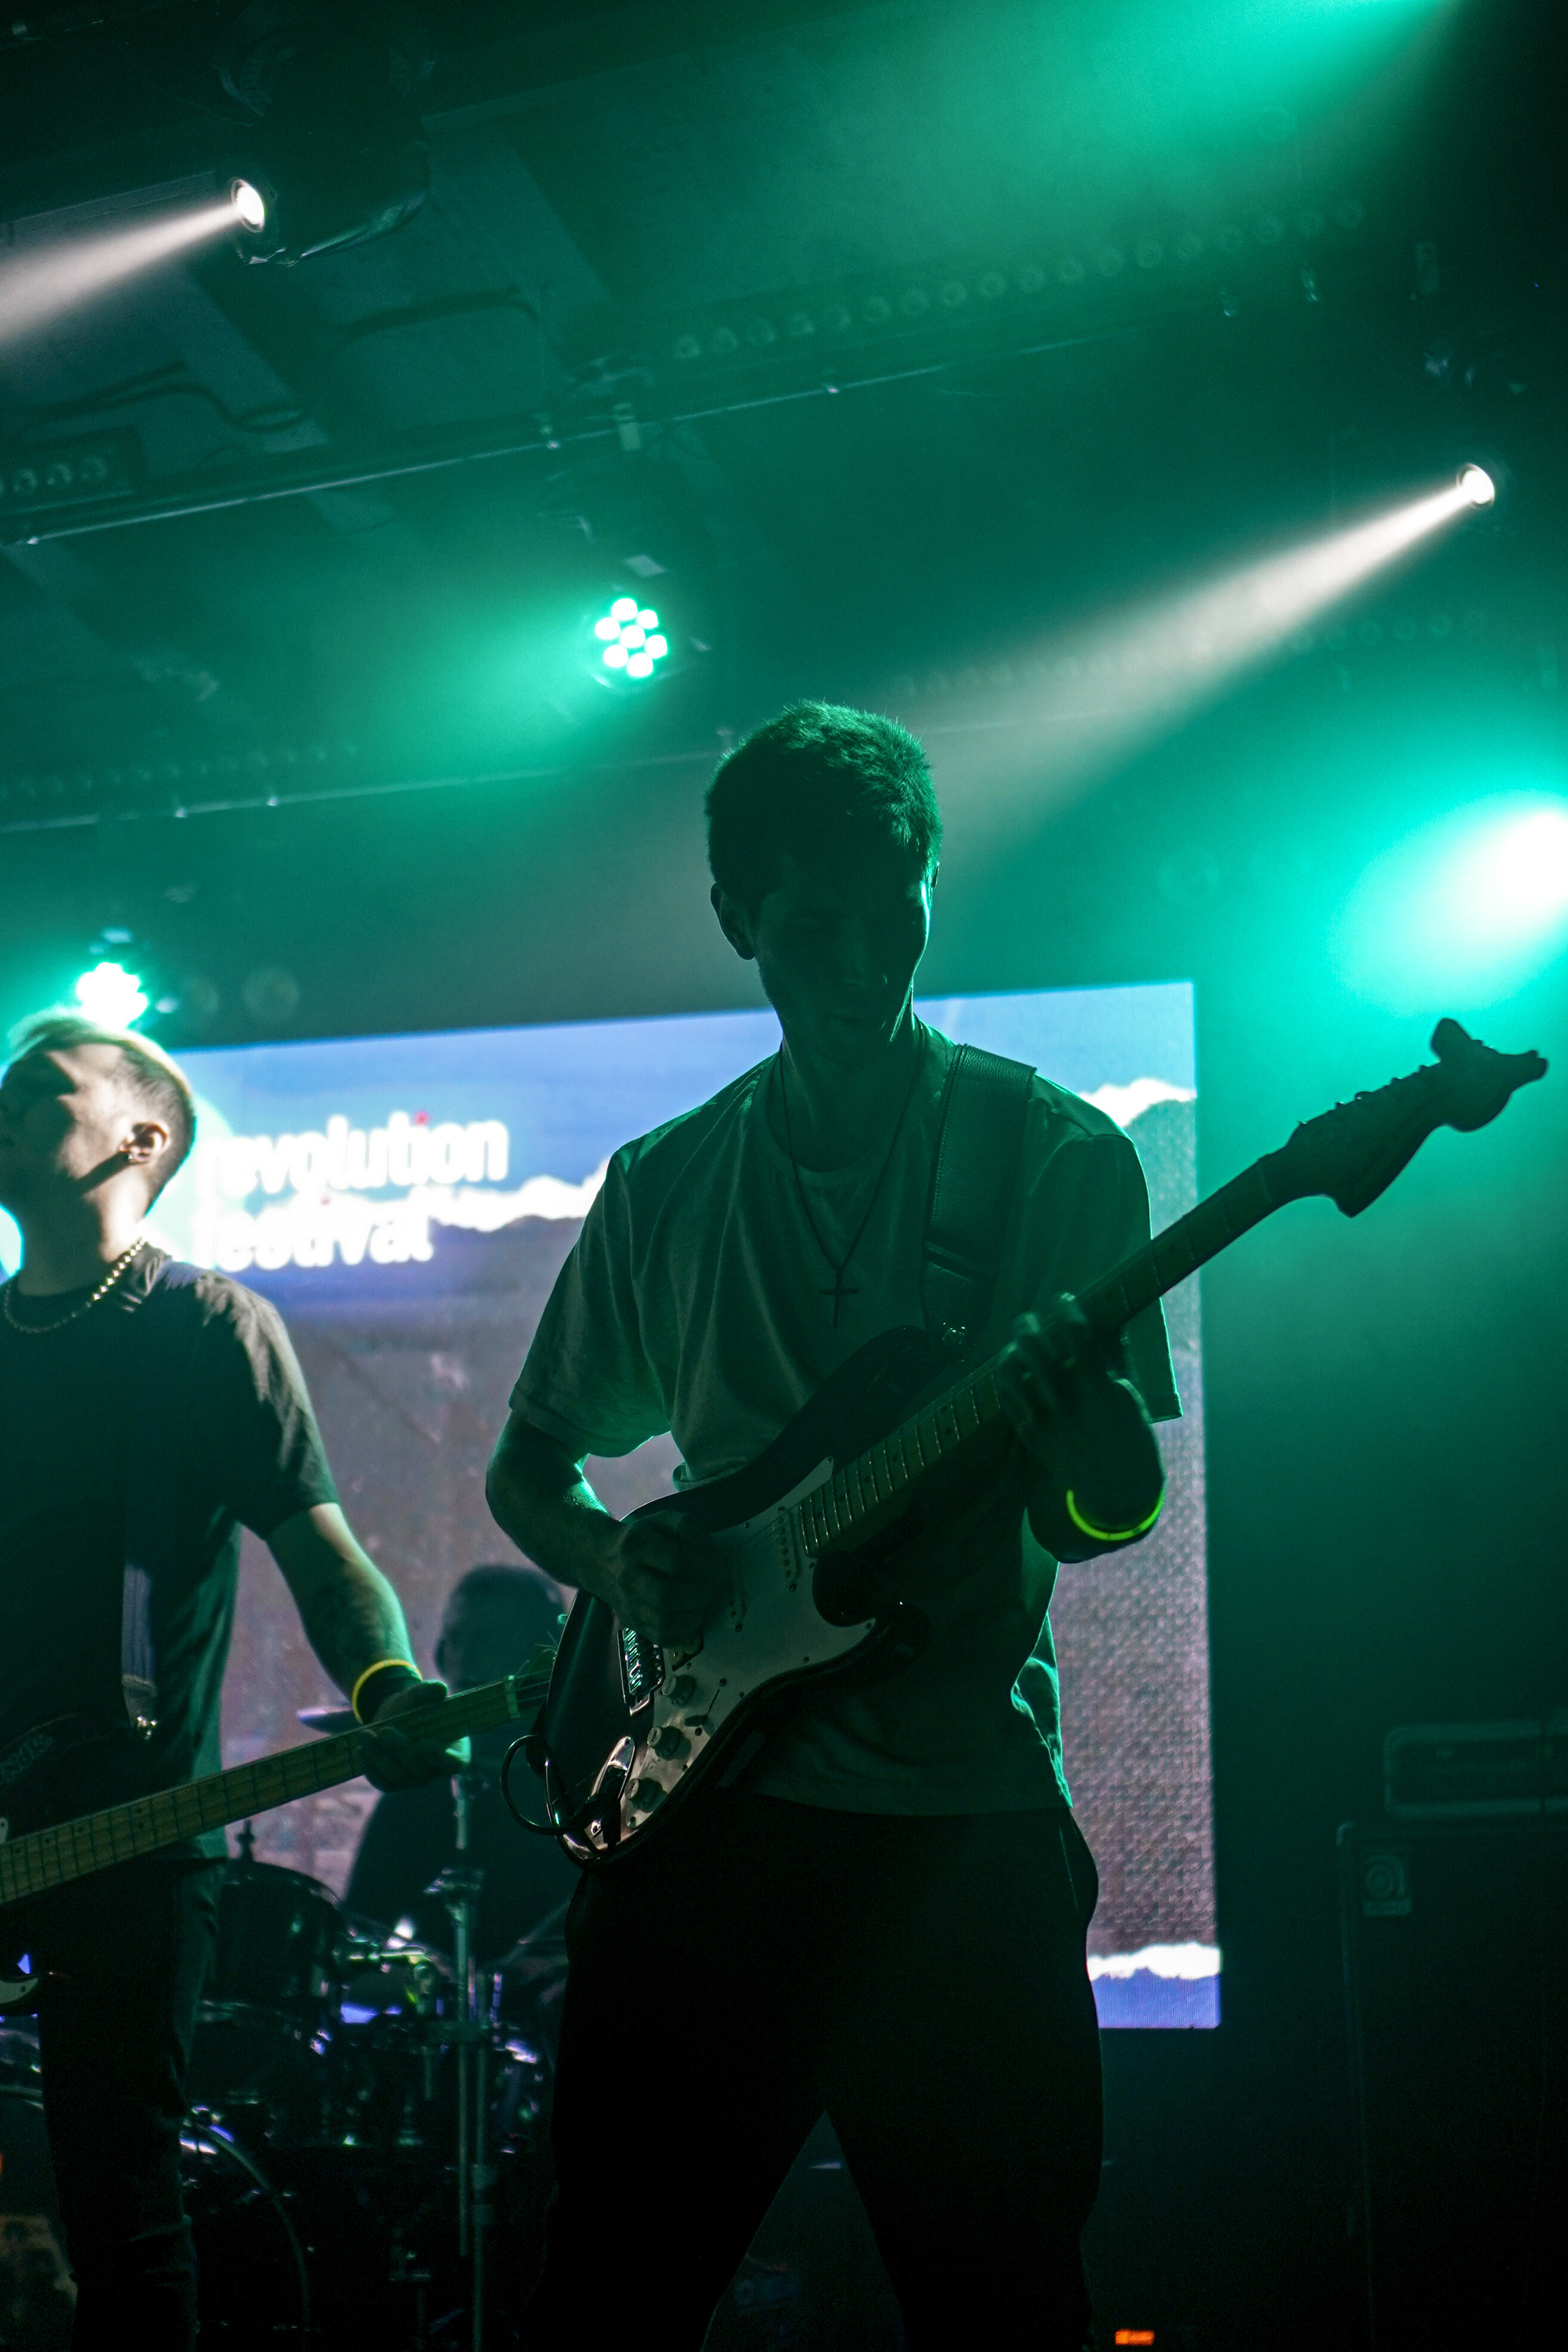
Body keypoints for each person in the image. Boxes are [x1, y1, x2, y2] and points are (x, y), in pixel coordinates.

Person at [486, 702, 1180, 2351]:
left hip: (954, 1833)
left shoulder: (1052, 1158)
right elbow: (532, 1470)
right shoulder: (665, 1184)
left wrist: (1086, 1435)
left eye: (896, 915)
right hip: (704, 1837)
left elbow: (1103, 1513)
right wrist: (615, 1559)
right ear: (737, 917)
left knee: (1005, 2305)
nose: (864, 963)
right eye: (814, 928)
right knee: (608, 2299)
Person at [0, 1010, 458, 2351]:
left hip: (130, 1838)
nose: (2, 1101)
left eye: (38, 1087)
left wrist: (386, 1685)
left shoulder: (203, 1327)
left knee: (123, 2208)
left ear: (139, 1138)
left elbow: (324, 1558)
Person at [346, 1563, 578, 1959]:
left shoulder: (588, 1779)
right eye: (455, 1640)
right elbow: (358, 1932)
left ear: (546, 1651)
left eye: (490, 1639)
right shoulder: (419, 1790)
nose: (465, 1658)